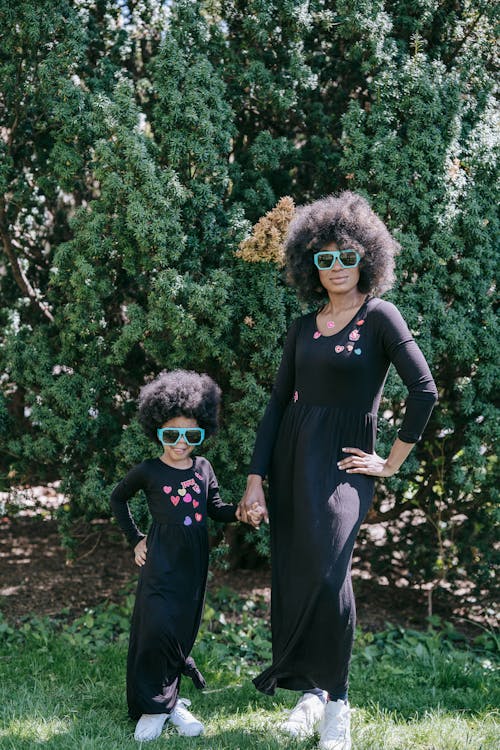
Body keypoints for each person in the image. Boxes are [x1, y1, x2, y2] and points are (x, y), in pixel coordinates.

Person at [238, 191, 438, 750]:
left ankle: (338, 703)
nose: (336, 269)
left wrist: (390, 463)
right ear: (309, 265)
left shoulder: (380, 317)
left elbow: (424, 391)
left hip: (347, 464)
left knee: (329, 574)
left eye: (346, 257)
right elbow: (277, 404)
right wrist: (255, 478)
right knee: (299, 574)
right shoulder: (303, 327)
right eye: (323, 260)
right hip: (291, 457)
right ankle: (308, 691)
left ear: (366, 259)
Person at [111, 369, 260, 742]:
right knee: (155, 630)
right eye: (171, 434)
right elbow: (118, 498)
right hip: (160, 563)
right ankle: (151, 707)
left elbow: (217, 508)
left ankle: (170, 702)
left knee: (179, 634)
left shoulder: (203, 469)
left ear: (203, 433)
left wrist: (241, 511)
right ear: (157, 430)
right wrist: (135, 538)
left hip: (193, 566)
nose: (181, 443)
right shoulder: (148, 471)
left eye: (192, 435)